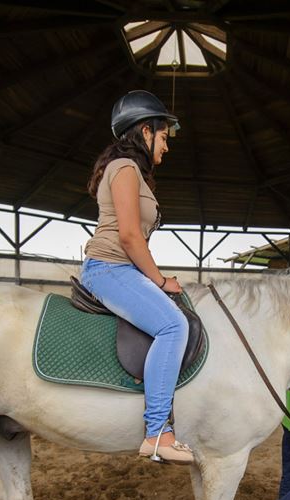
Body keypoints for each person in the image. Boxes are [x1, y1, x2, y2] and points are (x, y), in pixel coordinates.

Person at [79, 90, 194, 465]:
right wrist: (159, 281)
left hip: (122, 268)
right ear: (146, 130)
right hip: (109, 268)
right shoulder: (126, 169)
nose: (166, 146)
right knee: (174, 326)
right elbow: (129, 236)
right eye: (164, 136)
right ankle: (158, 432)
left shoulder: (130, 172)